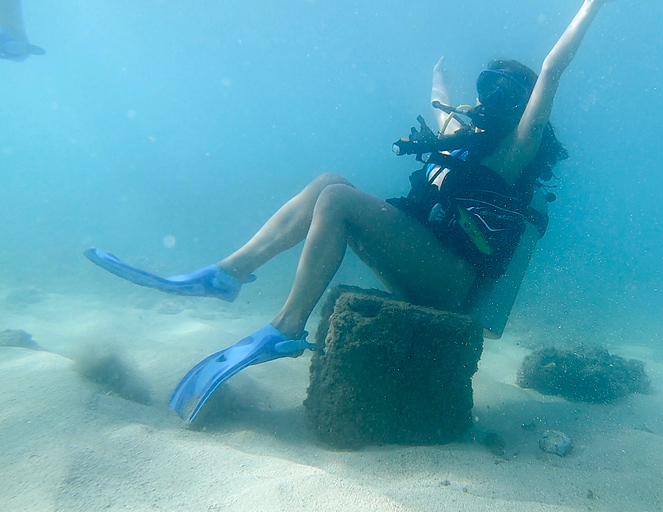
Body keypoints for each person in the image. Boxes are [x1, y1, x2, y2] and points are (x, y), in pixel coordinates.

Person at [86, 0, 615, 422]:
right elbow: (439, 104)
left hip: (454, 280)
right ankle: (227, 274)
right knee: (328, 183)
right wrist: (438, 77)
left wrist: (591, 6)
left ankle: (287, 326)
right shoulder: (463, 139)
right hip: (426, 259)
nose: (495, 99)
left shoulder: (516, 150)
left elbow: (553, 68)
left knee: (338, 202)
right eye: (489, 87)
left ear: (525, 105)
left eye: (510, 92)